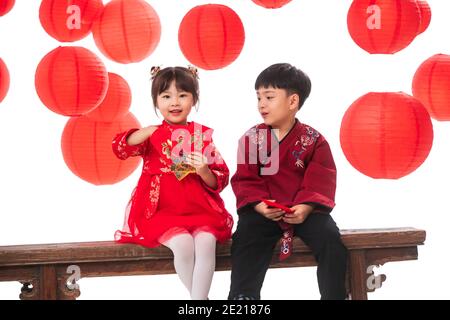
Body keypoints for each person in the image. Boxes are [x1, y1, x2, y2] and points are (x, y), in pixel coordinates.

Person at [228, 63, 347, 300]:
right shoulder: (252, 139)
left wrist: (305, 207)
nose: (262, 104)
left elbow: (320, 179)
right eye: (259, 97)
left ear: (292, 102)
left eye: (269, 97)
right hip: (263, 211)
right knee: (246, 238)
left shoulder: (314, 141)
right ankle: (243, 297)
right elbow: (245, 179)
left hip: (304, 211)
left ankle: (334, 296)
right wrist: (260, 205)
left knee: (330, 239)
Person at [112, 66, 233, 300]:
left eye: (183, 95)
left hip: (200, 208)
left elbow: (221, 176)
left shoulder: (200, 135)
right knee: (184, 244)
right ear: (156, 101)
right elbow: (121, 148)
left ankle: (199, 302)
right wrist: (146, 131)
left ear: (194, 99)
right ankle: (202, 302)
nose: (174, 102)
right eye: (166, 96)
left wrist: (204, 170)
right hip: (161, 210)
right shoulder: (152, 135)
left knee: (206, 242)